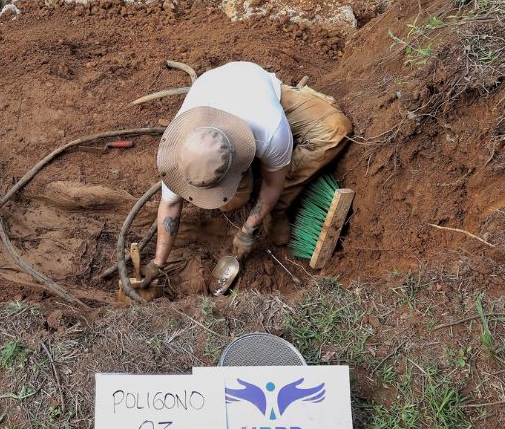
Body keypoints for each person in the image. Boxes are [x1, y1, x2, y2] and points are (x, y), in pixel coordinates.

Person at [139, 61, 351, 287]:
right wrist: (157, 263)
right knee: (232, 201)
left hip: (259, 89)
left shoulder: (269, 129)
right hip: (215, 87)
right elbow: (170, 205)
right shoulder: (179, 153)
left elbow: (272, 184)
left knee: (335, 130)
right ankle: (256, 182)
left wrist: (250, 228)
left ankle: (278, 210)